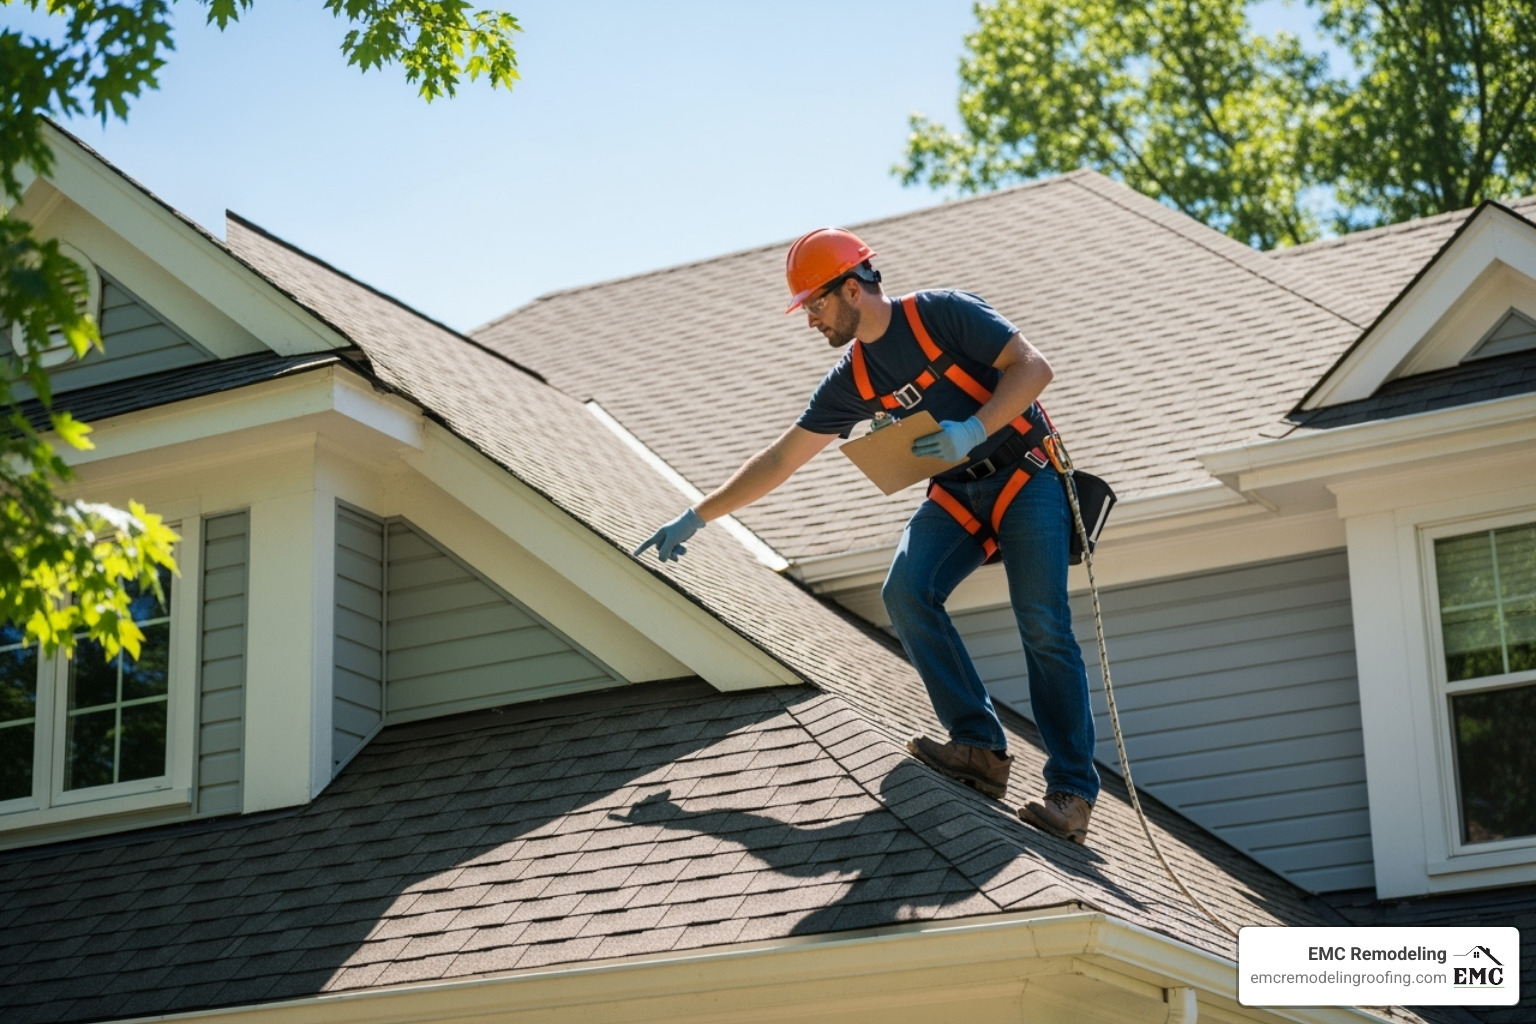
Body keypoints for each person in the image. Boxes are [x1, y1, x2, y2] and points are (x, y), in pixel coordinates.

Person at [635, 228, 1099, 844]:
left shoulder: (942, 314)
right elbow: (780, 460)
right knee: (905, 591)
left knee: (1042, 621)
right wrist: (698, 515)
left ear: (853, 288)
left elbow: (1033, 368)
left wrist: (974, 427)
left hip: (1028, 474)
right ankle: (980, 749)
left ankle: (1071, 792)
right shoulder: (852, 377)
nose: (810, 322)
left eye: (816, 305)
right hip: (958, 491)